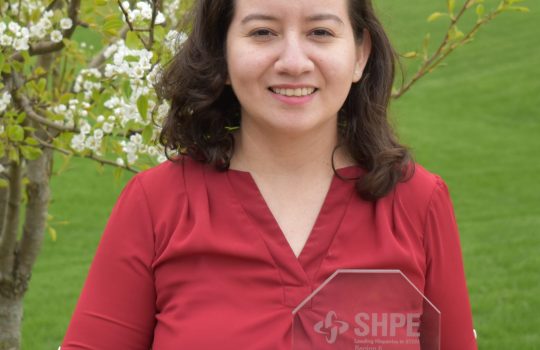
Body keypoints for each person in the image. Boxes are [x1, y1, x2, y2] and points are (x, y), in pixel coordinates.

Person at [61, 0, 478, 349]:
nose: (293, 62)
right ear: (220, 53)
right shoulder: (156, 205)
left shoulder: (418, 202)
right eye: (263, 32)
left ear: (360, 54)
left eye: (320, 32)